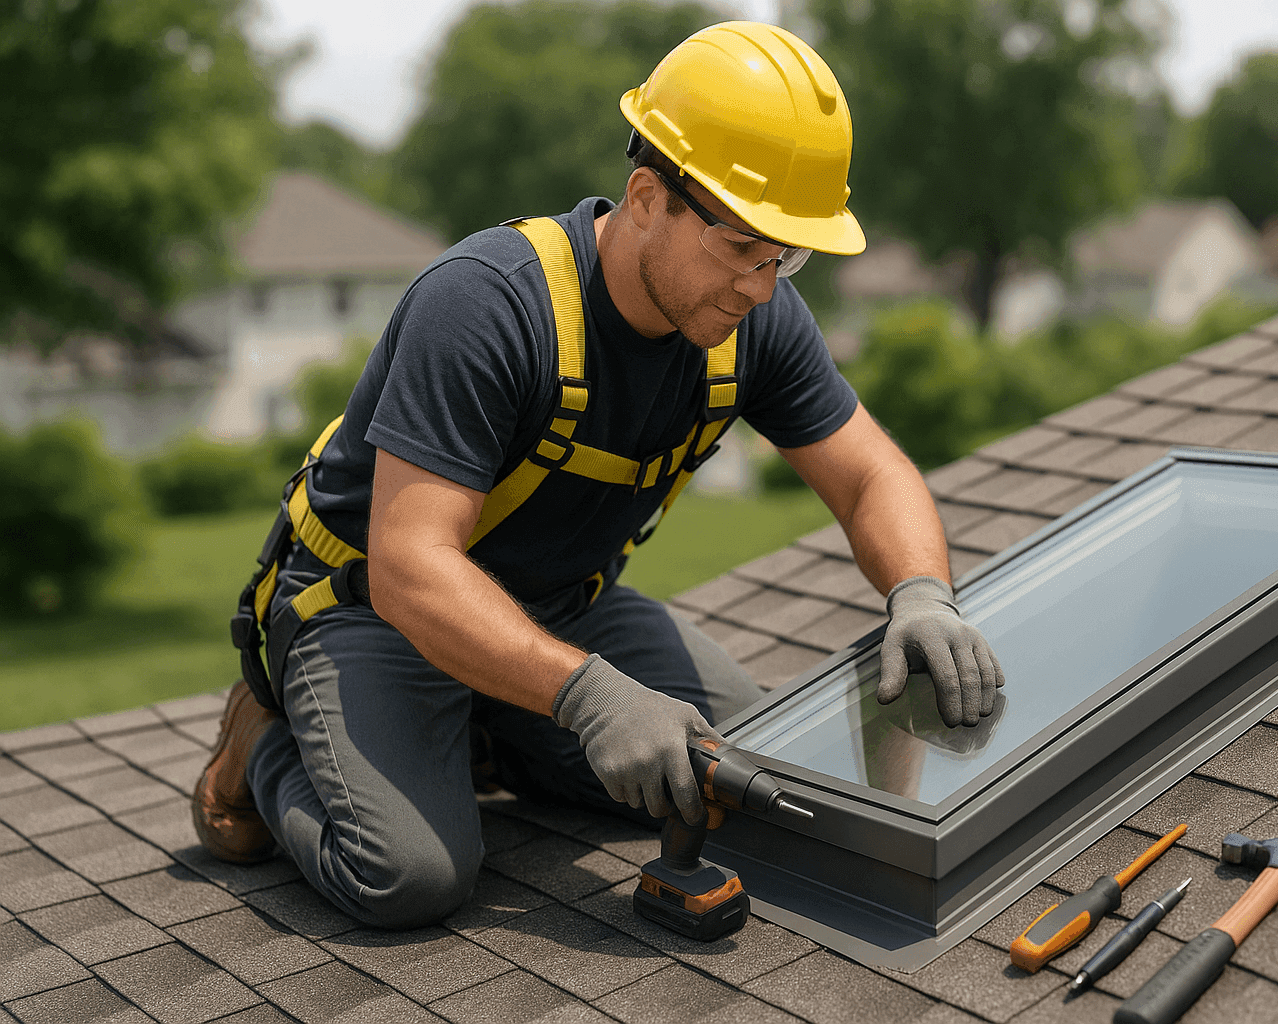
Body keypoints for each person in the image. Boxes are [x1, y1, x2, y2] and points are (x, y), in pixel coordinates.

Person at [195, 21, 1004, 930]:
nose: (763, 285)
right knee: (412, 875)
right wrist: (589, 695)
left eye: (788, 255)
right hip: (370, 607)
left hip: (558, 608)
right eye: (744, 246)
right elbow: (410, 566)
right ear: (648, 197)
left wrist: (922, 594)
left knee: (753, 783)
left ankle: (487, 728)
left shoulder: (755, 318)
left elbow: (870, 474)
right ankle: (266, 747)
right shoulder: (487, 304)